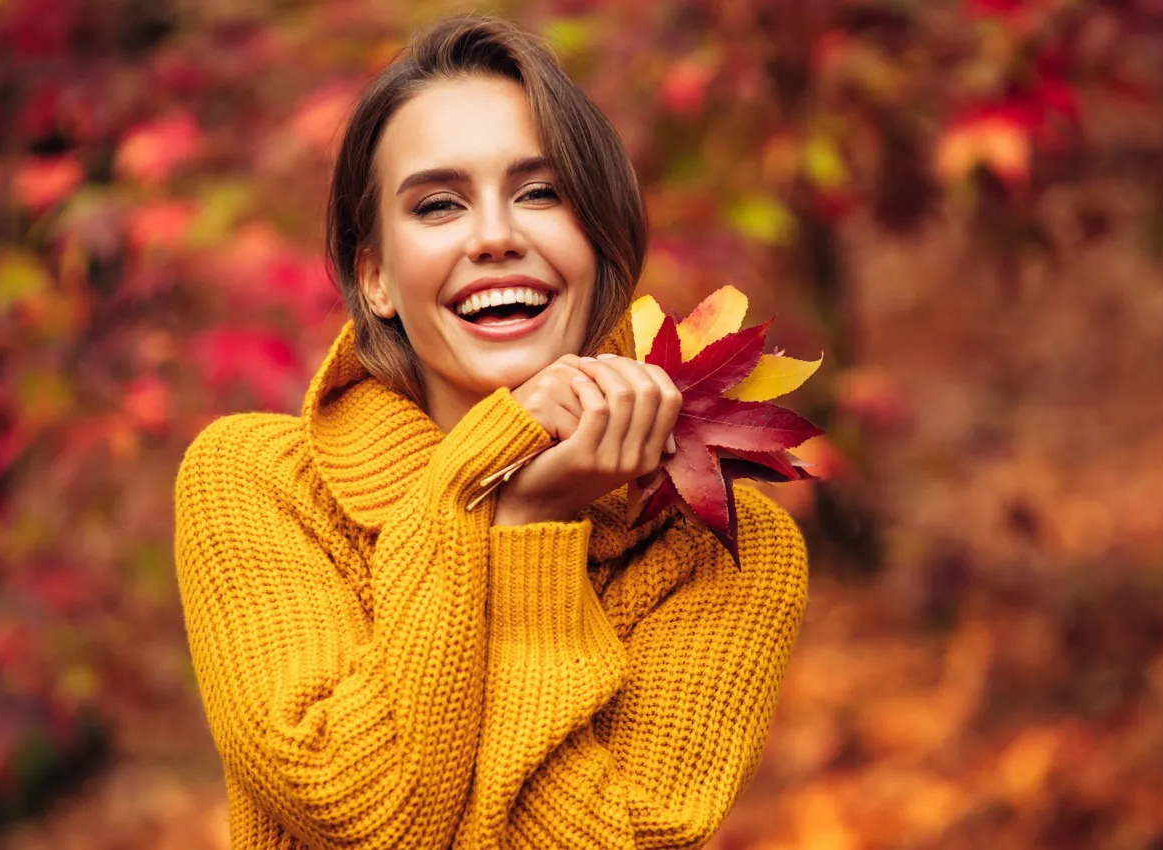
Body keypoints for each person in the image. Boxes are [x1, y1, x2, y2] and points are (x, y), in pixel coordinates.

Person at [173, 14, 809, 849]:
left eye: (541, 192)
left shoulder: (722, 543)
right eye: (438, 205)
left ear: (600, 241)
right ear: (376, 280)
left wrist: (532, 540)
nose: (496, 236)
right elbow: (362, 811)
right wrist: (499, 484)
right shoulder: (258, 482)